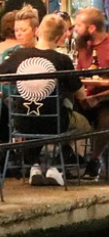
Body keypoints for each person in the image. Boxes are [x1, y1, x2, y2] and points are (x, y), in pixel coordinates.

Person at [0, 14, 93, 186]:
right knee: (84, 125)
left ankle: (34, 166)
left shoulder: (18, 55)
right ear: (59, 38)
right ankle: (55, 166)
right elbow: (81, 94)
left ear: (38, 32)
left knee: (34, 123)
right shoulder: (62, 60)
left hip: (22, 121)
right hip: (54, 123)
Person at [71, 8, 109, 180]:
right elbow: (78, 76)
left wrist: (98, 98)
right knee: (63, 109)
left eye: (78, 25)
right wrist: (82, 96)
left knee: (107, 117)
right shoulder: (82, 46)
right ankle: (67, 156)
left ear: (91, 28)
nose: (74, 29)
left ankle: (94, 160)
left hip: (108, 98)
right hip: (85, 97)